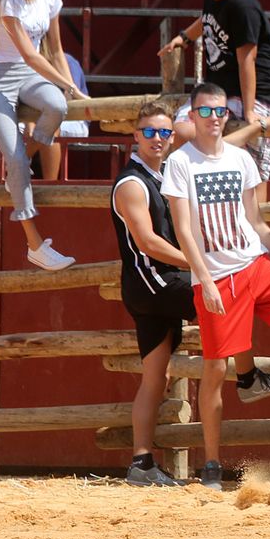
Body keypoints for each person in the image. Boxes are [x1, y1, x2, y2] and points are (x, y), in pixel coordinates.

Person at [162, 82, 270, 492]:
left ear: (228, 115)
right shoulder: (180, 163)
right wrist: (204, 280)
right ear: (192, 116)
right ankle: (211, 464)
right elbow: (184, 231)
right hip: (217, 275)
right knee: (211, 369)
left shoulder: (241, 158)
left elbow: (255, 220)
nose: (214, 118)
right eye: (205, 111)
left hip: (254, 262)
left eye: (220, 111)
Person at [158, 0, 270, 203]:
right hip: (220, 90)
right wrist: (184, 37)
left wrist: (251, 112)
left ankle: (256, 233)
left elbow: (247, 60)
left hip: (259, 90)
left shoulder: (243, 6)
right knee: (182, 129)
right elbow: (206, 19)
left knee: (252, 171)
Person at [0, 0, 81, 271]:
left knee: (58, 106)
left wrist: (71, 88)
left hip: (30, 76)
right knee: (17, 158)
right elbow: (29, 54)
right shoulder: (8, 0)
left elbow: (53, 49)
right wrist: (70, 83)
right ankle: (34, 243)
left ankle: (19, 165)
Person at [109, 102, 197, 487]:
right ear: (135, 136)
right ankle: (248, 376)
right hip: (153, 281)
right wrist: (199, 267)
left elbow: (207, 132)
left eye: (163, 133)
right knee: (228, 296)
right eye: (148, 132)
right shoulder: (132, 183)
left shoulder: (161, 176)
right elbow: (147, 242)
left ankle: (141, 462)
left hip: (149, 284)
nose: (156, 139)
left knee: (154, 377)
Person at [40, 52, 90, 181]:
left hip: (75, 119)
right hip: (37, 118)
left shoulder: (68, 61)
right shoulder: (23, 59)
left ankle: (49, 186)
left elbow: (69, 102)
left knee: (50, 125)